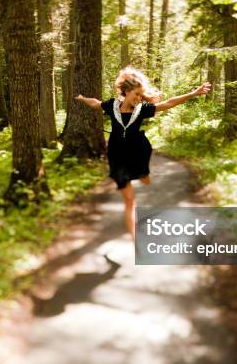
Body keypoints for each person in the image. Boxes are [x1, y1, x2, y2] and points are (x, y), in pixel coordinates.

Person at [75, 66, 211, 240]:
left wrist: (193, 93)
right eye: (136, 94)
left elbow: (168, 103)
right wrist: (82, 98)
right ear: (126, 91)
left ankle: (143, 172)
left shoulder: (143, 109)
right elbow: (95, 103)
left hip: (138, 151)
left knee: (145, 180)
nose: (139, 98)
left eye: (141, 95)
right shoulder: (112, 106)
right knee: (130, 200)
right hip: (117, 154)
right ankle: (134, 237)